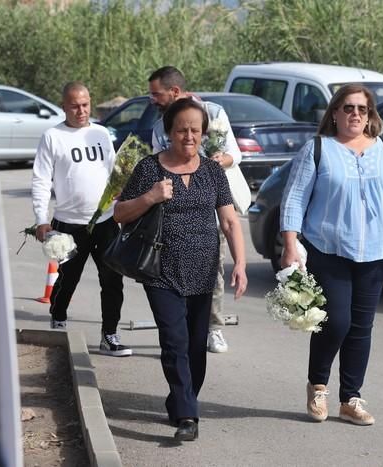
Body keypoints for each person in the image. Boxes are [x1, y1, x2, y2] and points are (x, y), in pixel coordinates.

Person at [280, 84, 383, 425]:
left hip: (375, 253)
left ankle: (351, 398)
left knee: (361, 327)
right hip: (329, 248)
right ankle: (318, 385)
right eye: (348, 108)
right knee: (337, 322)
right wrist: (290, 241)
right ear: (334, 113)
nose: (355, 114)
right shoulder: (319, 148)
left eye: (362, 108)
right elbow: (295, 197)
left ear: (371, 115)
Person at [114, 98, 247, 441]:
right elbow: (120, 213)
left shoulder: (213, 171)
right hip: (161, 269)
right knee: (174, 341)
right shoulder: (149, 169)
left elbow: (230, 222)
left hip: (204, 270)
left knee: (195, 346)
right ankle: (189, 416)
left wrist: (241, 264)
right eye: (181, 130)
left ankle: (180, 399)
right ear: (169, 132)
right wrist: (151, 197)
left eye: (195, 130)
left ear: (203, 133)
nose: (188, 136)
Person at [148, 65, 243, 354]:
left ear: (175, 92)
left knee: (211, 273)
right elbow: (156, 164)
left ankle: (213, 328)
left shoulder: (213, 113)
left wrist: (216, 162)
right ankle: (180, 330)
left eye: (157, 94)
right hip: (174, 214)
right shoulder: (158, 126)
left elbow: (234, 154)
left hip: (211, 207)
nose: (152, 99)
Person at [31, 81, 130, 357]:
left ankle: (109, 334)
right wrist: (41, 219)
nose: (81, 110)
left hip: (106, 221)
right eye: (74, 105)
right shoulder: (53, 136)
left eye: (85, 104)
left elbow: (113, 171)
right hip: (68, 224)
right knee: (67, 278)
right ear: (63, 106)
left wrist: (121, 192)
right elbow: (40, 180)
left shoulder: (100, 133)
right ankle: (59, 317)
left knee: (112, 280)